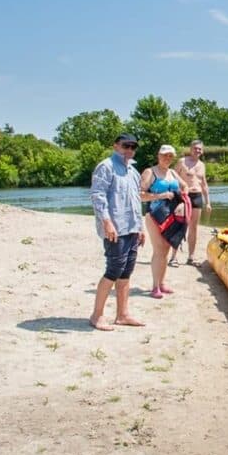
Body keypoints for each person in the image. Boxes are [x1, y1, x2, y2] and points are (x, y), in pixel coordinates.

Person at [88, 133, 146, 331]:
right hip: (115, 229)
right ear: (115, 146)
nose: (129, 150)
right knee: (113, 271)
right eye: (125, 146)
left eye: (133, 146)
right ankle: (97, 315)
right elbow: (98, 196)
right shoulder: (106, 167)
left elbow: (136, 201)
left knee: (126, 273)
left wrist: (141, 227)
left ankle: (122, 314)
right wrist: (107, 222)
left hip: (131, 228)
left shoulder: (133, 171)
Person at [141, 144, 189, 298]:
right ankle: (155, 287)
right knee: (159, 249)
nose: (167, 158)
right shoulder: (150, 172)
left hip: (172, 214)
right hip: (154, 215)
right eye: (164, 155)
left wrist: (182, 201)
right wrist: (160, 196)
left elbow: (185, 186)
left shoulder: (173, 173)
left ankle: (162, 283)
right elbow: (140, 194)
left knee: (167, 248)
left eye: (170, 156)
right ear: (158, 155)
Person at [174, 139, 211, 266]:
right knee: (180, 226)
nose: (198, 151)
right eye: (195, 148)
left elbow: (204, 184)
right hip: (184, 196)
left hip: (197, 196)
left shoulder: (202, 165)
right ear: (190, 149)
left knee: (194, 228)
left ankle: (191, 257)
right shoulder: (182, 162)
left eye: (200, 149)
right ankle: (173, 257)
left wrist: (208, 202)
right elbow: (172, 175)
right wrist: (181, 188)